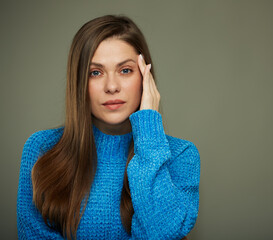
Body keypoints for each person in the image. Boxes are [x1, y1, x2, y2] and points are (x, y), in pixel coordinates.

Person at [17, 15, 200, 240]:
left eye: (125, 70)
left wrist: (148, 126)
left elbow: (163, 232)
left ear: (145, 78)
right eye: (95, 72)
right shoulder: (42, 148)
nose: (111, 86)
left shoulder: (182, 156)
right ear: (79, 83)